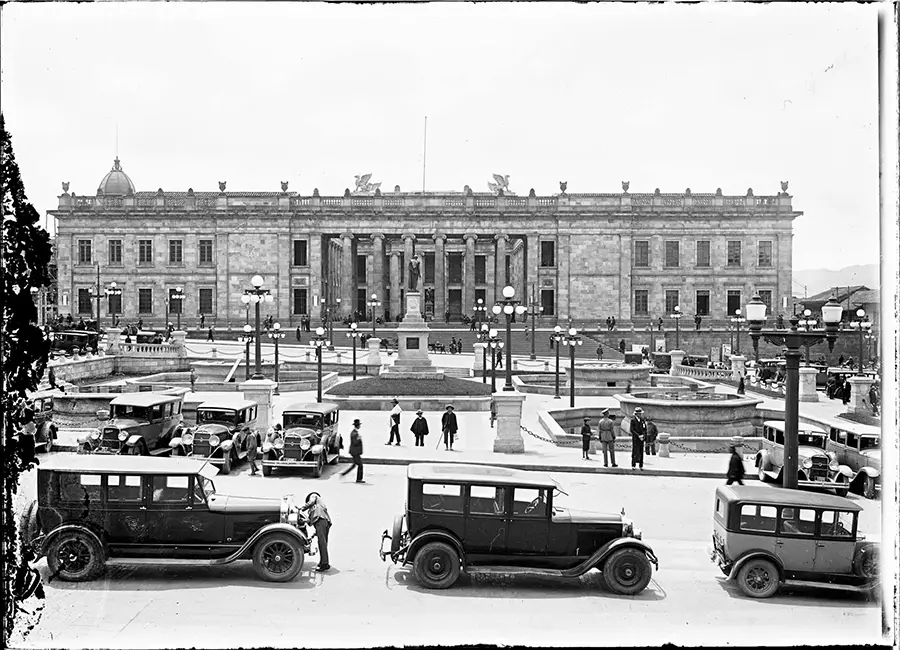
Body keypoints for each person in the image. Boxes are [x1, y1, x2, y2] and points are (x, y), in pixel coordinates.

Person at [300, 492, 332, 572]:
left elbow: (311, 502)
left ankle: (324, 564)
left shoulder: (314, 496)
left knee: (322, 543)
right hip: (323, 522)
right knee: (323, 543)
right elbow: (310, 522)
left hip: (321, 521)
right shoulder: (315, 509)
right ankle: (323, 562)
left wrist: (301, 509)